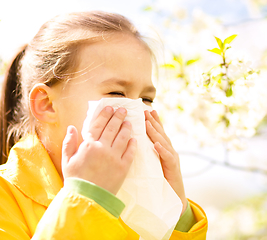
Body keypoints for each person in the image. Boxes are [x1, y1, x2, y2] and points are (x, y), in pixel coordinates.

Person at [0, 11, 207, 239]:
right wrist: (88, 197)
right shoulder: (5, 196)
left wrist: (178, 216)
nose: (136, 111)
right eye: (117, 93)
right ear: (47, 105)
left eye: (146, 99)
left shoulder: (136, 195)